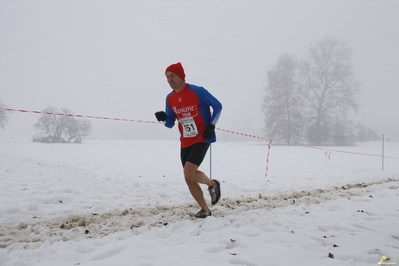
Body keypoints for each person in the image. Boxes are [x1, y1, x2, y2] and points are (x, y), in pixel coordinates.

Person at [155, 62, 222, 218]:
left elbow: (218, 106)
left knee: (188, 172)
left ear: (181, 76)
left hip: (202, 137)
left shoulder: (197, 91)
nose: (169, 79)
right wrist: (164, 118)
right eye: (167, 77)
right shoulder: (170, 98)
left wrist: (211, 125)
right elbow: (170, 123)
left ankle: (213, 184)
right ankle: (205, 209)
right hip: (185, 140)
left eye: (172, 75)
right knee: (188, 177)